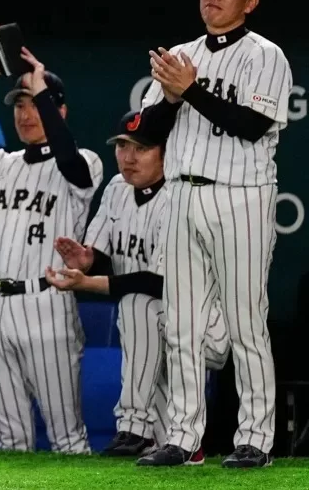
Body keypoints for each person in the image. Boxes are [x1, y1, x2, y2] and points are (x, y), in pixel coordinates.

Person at [135, 0, 292, 469]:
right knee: (179, 323)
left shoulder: (265, 54)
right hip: (181, 192)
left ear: (250, 1)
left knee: (247, 323)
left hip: (240, 193)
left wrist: (190, 90)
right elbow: (149, 133)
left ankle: (256, 438)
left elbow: (250, 125)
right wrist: (174, 96)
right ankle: (183, 437)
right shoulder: (181, 54)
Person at [0, 26, 103, 454]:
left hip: (45, 299)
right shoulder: (0, 162)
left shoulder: (84, 160)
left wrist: (43, 91)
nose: (26, 114)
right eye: (20, 105)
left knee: (68, 437)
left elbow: (69, 162)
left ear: (59, 111)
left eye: (36, 105)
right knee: (9, 439)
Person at [50, 110, 229, 459]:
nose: (128, 158)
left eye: (142, 148)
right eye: (122, 146)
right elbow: (102, 257)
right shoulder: (117, 189)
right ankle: (182, 448)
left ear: (167, 151)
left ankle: (133, 425)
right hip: (157, 327)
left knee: (137, 303)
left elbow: (158, 281)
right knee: (143, 334)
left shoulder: (182, 198)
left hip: (204, 327)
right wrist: (87, 262)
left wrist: (89, 282)